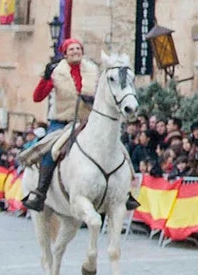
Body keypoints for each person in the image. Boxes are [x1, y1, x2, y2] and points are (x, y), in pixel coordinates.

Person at [23, 40, 130, 213]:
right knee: (52, 150)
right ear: (65, 54)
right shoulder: (57, 73)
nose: (75, 52)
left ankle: (126, 192)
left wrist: (92, 101)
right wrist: (45, 78)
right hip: (62, 122)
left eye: (78, 48)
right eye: (71, 49)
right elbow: (37, 97)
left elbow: (103, 94)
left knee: (118, 149)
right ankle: (40, 192)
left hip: (88, 121)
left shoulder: (93, 71)